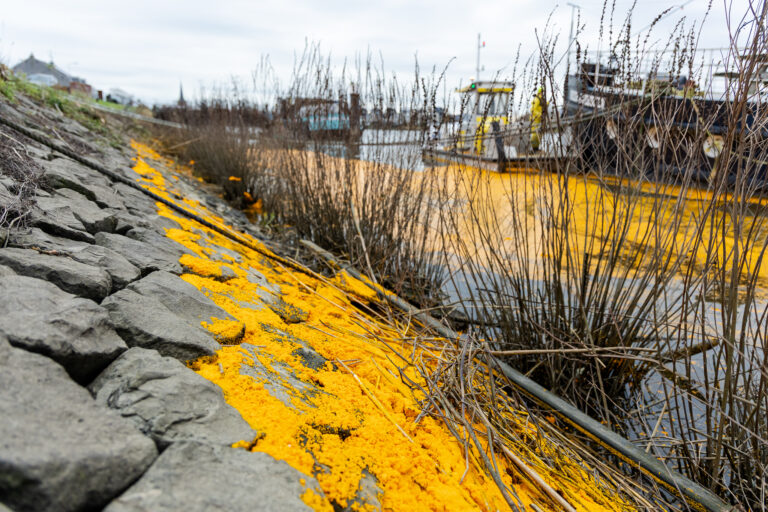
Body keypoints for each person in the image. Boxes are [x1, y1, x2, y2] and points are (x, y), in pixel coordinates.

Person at [530, 86, 546, 151]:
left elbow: (541, 107)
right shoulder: (536, 100)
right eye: (541, 92)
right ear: (539, 92)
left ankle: (537, 148)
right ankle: (534, 149)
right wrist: (540, 115)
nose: (542, 93)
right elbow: (532, 109)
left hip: (539, 120)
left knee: (539, 134)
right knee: (534, 135)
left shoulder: (541, 99)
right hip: (535, 120)